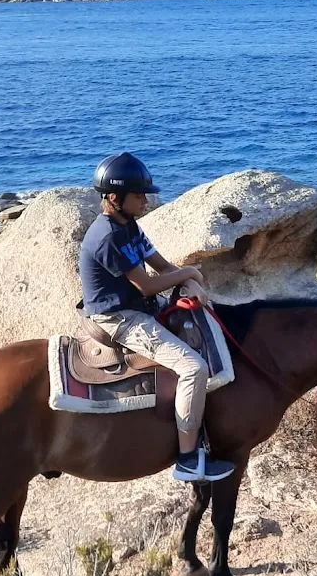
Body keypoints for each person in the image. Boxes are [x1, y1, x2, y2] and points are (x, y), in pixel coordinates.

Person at [79, 152, 235, 483]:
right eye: (139, 195)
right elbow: (147, 285)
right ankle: (188, 460)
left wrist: (189, 281)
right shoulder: (107, 236)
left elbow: (162, 267)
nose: (146, 201)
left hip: (139, 304)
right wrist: (190, 273)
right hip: (120, 318)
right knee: (193, 367)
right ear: (114, 198)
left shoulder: (129, 226)